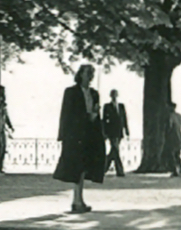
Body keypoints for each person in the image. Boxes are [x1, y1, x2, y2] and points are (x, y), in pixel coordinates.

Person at [53, 64, 106, 213]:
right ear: (80, 74)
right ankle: (77, 200)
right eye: (88, 73)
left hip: (89, 134)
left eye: (92, 73)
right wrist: (63, 135)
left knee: (84, 167)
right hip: (75, 134)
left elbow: (96, 114)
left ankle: (78, 200)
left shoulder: (94, 93)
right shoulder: (71, 92)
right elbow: (67, 113)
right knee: (77, 167)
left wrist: (95, 117)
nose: (90, 76)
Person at [102, 89, 129, 177]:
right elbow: (104, 120)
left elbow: (124, 119)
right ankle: (119, 171)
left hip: (119, 131)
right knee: (115, 150)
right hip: (111, 132)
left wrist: (127, 130)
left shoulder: (121, 106)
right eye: (113, 95)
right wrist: (104, 132)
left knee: (114, 151)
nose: (114, 97)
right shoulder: (107, 106)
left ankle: (104, 168)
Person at [167, 102, 181, 177]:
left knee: (173, 154)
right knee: (177, 153)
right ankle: (180, 167)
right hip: (180, 136)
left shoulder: (171, 116)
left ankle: (176, 169)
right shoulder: (180, 116)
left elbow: (170, 127)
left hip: (173, 137)